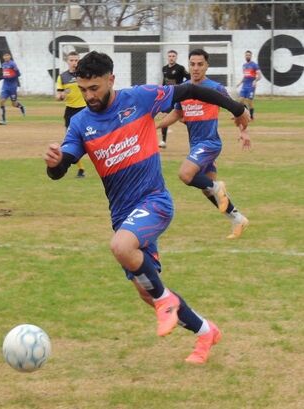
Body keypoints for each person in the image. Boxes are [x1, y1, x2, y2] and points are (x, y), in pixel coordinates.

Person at [44, 51, 250, 364]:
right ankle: (206, 331)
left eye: (95, 88)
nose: (89, 96)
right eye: (83, 89)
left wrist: (237, 108)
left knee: (122, 248)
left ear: (111, 80)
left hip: (154, 201)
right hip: (123, 216)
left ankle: (166, 301)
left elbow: (191, 91)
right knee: (147, 291)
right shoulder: (81, 123)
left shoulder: (139, 98)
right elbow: (61, 169)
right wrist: (55, 164)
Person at [156, 49, 250, 240]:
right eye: (192, 64)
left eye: (200, 64)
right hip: (196, 145)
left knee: (185, 174)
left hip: (210, 143)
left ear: (207, 66)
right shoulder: (184, 89)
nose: (196, 68)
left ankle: (218, 187)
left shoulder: (215, 88)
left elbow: (238, 110)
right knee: (208, 190)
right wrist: (155, 127)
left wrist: (243, 132)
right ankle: (238, 219)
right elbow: (177, 113)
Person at [56, 51, 87, 178]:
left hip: (85, 110)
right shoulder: (63, 77)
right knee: (72, 142)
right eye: (72, 60)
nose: (74, 63)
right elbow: (58, 96)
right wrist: (63, 94)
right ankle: (81, 169)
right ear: (67, 61)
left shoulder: (85, 74)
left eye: (76, 60)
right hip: (70, 112)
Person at [159, 50, 190, 148]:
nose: (171, 57)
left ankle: (193, 127)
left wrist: (182, 87)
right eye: (170, 56)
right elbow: (165, 82)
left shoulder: (180, 68)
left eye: (173, 56)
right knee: (166, 117)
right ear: (167, 57)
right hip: (168, 96)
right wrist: (162, 92)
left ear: (176, 57)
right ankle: (163, 141)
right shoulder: (164, 69)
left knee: (180, 117)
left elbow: (189, 77)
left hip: (178, 96)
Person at [0, 52, 26, 125]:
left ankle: (21, 106)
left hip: (12, 86)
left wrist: (10, 77)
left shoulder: (12, 64)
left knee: (13, 104)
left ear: (10, 56)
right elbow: (6, 74)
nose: (6, 57)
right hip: (5, 86)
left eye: (7, 55)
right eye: (4, 55)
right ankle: (3, 120)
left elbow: (18, 74)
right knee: (1, 101)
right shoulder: (3, 65)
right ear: (3, 57)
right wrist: (2, 77)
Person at [236, 50, 261, 120]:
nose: (248, 56)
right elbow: (245, 76)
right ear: (245, 56)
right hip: (244, 85)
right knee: (240, 101)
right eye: (246, 55)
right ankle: (246, 114)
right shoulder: (244, 65)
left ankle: (251, 116)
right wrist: (240, 83)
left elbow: (259, 76)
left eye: (249, 55)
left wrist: (255, 81)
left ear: (251, 56)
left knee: (249, 102)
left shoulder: (254, 65)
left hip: (251, 86)